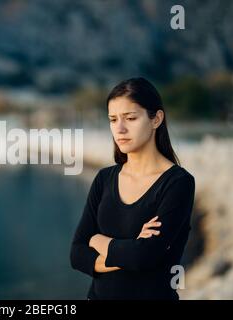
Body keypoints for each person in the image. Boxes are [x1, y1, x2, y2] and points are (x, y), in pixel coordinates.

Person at [70, 77, 195, 300]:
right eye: (112, 119)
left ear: (156, 119)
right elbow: (77, 254)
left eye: (130, 118)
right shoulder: (104, 178)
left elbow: (144, 257)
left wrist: (100, 241)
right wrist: (130, 249)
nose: (120, 128)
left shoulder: (178, 183)